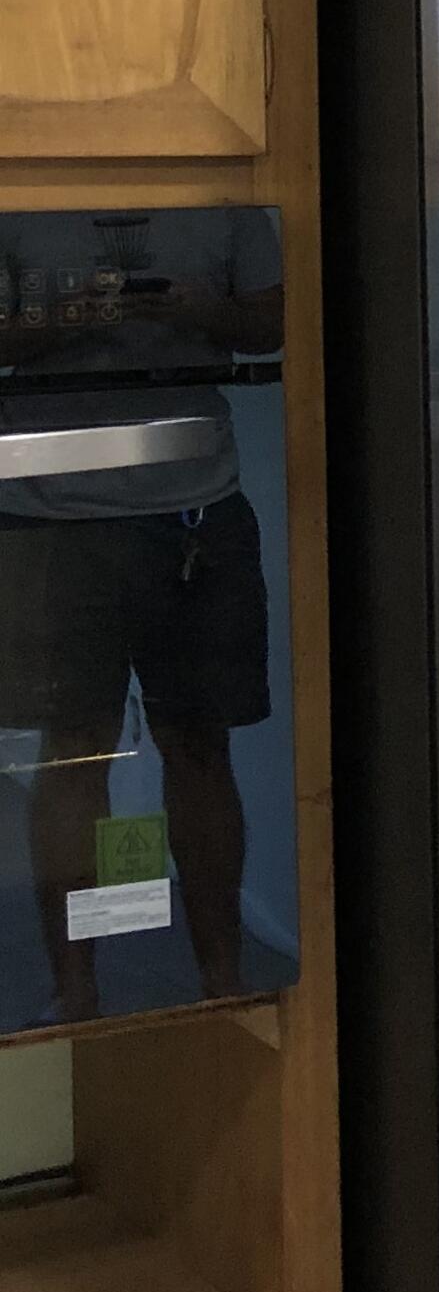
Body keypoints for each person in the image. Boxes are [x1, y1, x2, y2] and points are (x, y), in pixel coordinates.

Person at [0, 210, 282, 1023]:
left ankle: (223, 982)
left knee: (199, 745)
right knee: (72, 754)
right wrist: (61, 322)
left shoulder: (230, 200)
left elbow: (272, 325)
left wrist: (203, 313)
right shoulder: (19, 195)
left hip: (194, 509)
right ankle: (76, 992)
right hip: (48, 514)